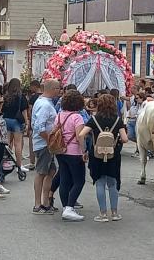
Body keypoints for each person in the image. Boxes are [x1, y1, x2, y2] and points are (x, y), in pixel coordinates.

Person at [79, 94, 128, 222]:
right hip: (113, 155)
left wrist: (84, 149)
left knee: (100, 183)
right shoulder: (117, 120)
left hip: (97, 155)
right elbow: (125, 139)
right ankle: (115, 213)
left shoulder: (94, 119)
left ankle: (103, 214)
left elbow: (81, 134)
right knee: (112, 183)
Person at [54, 89, 87, 222]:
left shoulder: (60, 115)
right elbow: (80, 135)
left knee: (64, 179)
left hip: (61, 151)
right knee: (79, 180)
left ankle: (65, 206)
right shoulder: (77, 117)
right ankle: (70, 207)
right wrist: (84, 150)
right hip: (74, 151)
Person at [31, 79, 60, 215]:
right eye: (58, 89)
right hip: (44, 144)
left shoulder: (42, 102)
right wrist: (50, 140)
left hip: (44, 143)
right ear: (52, 89)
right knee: (41, 172)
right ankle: (38, 204)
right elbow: (39, 126)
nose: (59, 91)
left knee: (50, 171)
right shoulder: (45, 105)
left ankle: (46, 201)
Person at [1, 78, 30, 173]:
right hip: (16, 121)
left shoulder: (6, 97)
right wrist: (26, 122)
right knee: (18, 144)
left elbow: (2, 110)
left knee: (7, 143)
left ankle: (6, 162)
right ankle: (19, 165)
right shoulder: (21, 97)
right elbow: (24, 111)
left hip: (6, 120)